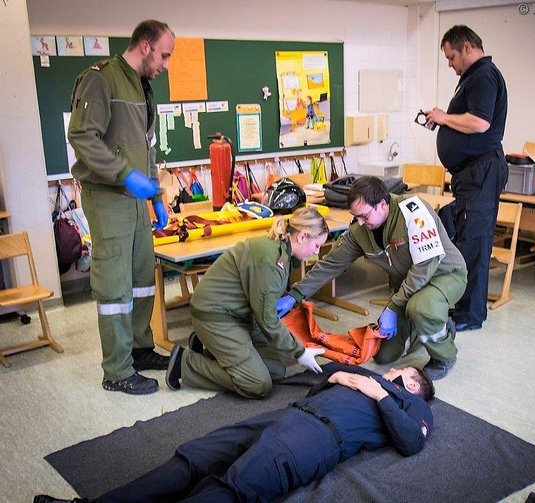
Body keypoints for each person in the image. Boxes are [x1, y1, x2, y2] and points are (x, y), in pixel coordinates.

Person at [34, 363, 434, 503]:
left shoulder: (411, 404)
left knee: (232, 489)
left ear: (411, 382)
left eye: (398, 373)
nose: (387, 372)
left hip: (315, 438)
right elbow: (326, 376)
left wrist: (379, 391)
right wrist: (347, 375)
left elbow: (412, 440)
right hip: (289, 415)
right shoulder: (364, 376)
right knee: (193, 458)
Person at [67, 20, 175, 395]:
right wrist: (124, 175)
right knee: (115, 286)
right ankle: (116, 371)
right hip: (107, 195)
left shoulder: (143, 87)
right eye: (163, 55)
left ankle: (141, 349)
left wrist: (156, 195)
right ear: (145, 46)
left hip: (135, 199)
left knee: (142, 277)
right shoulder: (101, 79)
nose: (166, 64)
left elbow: (145, 147)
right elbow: (82, 137)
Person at [277, 176, 467, 380]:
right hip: (407, 288)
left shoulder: (414, 211)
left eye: (364, 216)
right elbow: (330, 264)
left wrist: (393, 307)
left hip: (443, 276)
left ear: (383, 204)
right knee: (384, 355)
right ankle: (436, 325)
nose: (359, 222)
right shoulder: (361, 228)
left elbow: (424, 268)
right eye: (355, 216)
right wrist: (296, 293)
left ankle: (444, 355)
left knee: (422, 307)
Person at [165, 206, 330, 399]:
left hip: (237, 314)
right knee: (258, 384)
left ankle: (212, 350)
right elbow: (267, 320)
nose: (316, 252)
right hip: (217, 317)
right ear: (302, 237)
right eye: (316, 246)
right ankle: (186, 364)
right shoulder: (271, 260)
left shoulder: (280, 249)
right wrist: (299, 352)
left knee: (276, 370)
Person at [425, 25, 508, 332]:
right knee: (464, 240)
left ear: (468, 48)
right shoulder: (473, 77)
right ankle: (462, 309)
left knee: (474, 243)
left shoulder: (484, 76)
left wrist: (444, 117)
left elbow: (480, 122)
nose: (449, 64)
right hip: (471, 173)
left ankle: (470, 316)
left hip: (481, 171)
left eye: (451, 57)